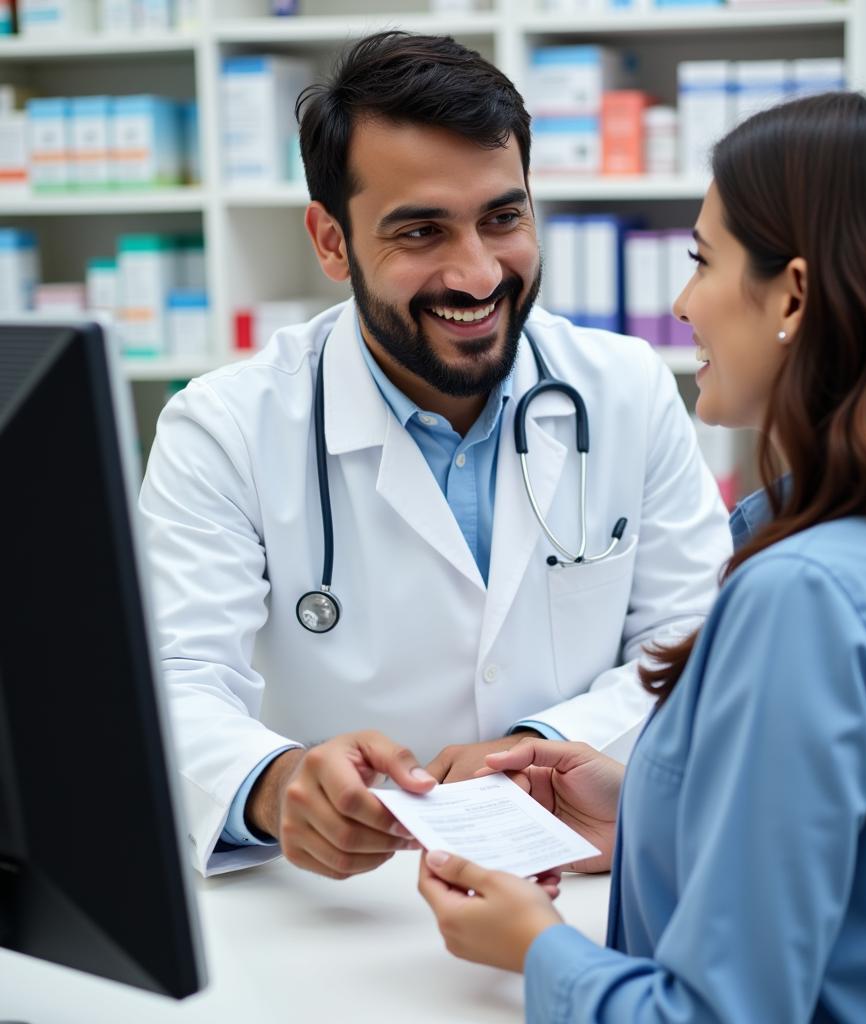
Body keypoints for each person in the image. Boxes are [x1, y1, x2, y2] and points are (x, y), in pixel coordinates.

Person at [418, 90, 866, 1022]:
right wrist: (651, 808)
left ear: (793, 293)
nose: (681, 301)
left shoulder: (808, 592)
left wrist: (538, 950)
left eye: (703, 260)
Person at [139, 31, 731, 878]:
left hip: (578, 882)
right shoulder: (224, 428)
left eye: (504, 216)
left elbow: (692, 642)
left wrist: (542, 750)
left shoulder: (625, 388)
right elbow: (172, 683)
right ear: (332, 240)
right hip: (330, 914)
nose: (478, 273)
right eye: (420, 231)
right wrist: (277, 784)